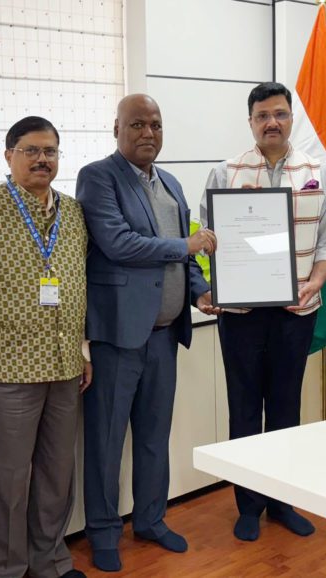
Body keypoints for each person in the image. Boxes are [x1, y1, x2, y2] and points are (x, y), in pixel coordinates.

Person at [0, 116, 90, 578]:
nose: (42, 159)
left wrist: (83, 349)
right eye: (31, 150)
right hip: (6, 370)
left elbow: (78, 285)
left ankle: (50, 562)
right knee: (4, 480)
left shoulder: (73, 211)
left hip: (64, 366)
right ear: (9, 156)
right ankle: (3, 569)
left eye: (50, 151)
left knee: (56, 475)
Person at [77, 94, 217, 573]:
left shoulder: (171, 183)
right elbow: (119, 243)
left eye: (155, 124)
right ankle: (103, 532)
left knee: (155, 436)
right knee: (107, 441)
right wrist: (186, 245)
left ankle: (151, 520)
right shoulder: (98, 177)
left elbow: (184, 259)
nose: (148, 133)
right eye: (137, 124)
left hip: (164, 334)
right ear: (116, 128)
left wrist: (200, 291)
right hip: (118, 336)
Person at [201, 82, 326, 542]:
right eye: (262, 116)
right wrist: (214, 284)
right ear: (251, 122)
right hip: (240, 313)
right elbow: (208, 239)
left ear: (291, 118)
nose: (272, 123)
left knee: (285, 408)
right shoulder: (225, 172)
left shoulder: (319, 172)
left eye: (280, 114)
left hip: (295, 312)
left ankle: (281, 501)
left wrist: (316, 281)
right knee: (244, 409)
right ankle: (248, 504)